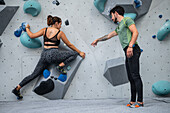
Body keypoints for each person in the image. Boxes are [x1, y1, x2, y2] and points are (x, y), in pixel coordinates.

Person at [12, 15, 85, 99]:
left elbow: (32, 36)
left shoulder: (45, 30)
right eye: (60, 24)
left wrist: (27, 28)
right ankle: (60, 66)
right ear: (56, 23)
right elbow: (69, 44)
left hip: (44, 56)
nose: (60, 26)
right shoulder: (59, 32)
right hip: (53, 55)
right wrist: (80, 52)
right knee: (74, 53)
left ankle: (17, 88)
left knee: (34, 74)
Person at [91, 6, 143, 108]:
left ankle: (140, 101)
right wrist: (97, 40)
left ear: (115, 13)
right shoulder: (119, 26)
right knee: (130, 77)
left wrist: (130, 46)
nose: (111, 18)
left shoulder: (127, 20)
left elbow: (135, 32)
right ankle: (133, 100)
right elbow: (109, 35)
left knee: (135, 75)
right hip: (127, 51)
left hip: (132, 49)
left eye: (111, 15)